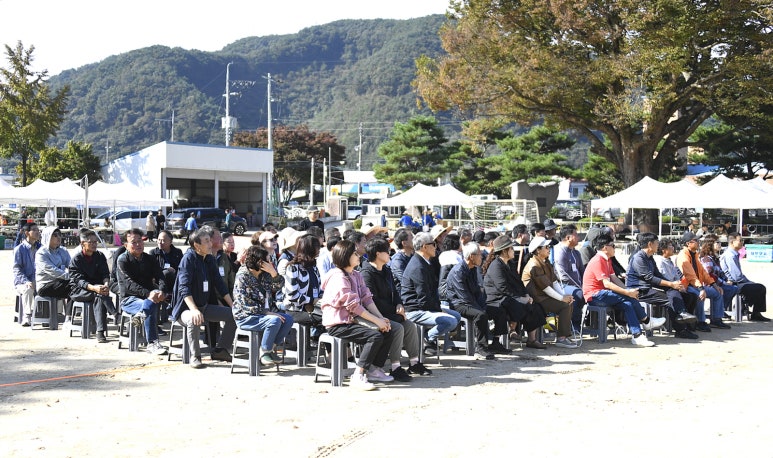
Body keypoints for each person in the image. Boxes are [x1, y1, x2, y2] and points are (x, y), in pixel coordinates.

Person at [319, 240, 396, 390]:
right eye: (354, 253)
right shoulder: (338, 277)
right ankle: (358, 375)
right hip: (338, 324)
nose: (358, 255)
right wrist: (376, 321)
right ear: (345, 256)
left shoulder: (356, 274)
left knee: (387, 329)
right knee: (374, 336)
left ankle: (373, 369)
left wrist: (380, 318)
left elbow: (367, 298)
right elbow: (353, 306)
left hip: (353, 320)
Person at [361, 238, 431, 381]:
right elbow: (372, 300)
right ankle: (395, 367)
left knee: (410, 325)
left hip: (390, 312)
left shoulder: (386, 270)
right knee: (398, 328)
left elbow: (395, 292)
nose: (390, 254)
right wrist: (394, 311)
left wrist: (399, 304)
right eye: (387, 251)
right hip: (376, 315)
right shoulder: (366, 273)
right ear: (378, 253)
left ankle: (414, 363)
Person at [581, 233, 664, 347]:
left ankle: (637, 335)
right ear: (605, 247)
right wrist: (627, 292)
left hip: (604, 294)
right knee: (628, 298)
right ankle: (646, 321)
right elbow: (607, 283)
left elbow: (614, 278)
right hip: (594, 296)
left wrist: (627, 290)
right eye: (613, 246)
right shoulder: (598, 260)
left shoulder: (607, 260)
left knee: (627, 304)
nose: (615, 248)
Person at [170, 227, 237, 368]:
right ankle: (195, 356)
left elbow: (220, 284)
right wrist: (194, 309)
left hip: (204, 306)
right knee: (194, 318)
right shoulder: (188, 259)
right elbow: (184, 288)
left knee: (234, 314)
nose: (210, 243)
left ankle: (221, 350)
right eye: (206, 241)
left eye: (209, 240)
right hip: (185, 309)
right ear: (197, 245)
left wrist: (233, 305)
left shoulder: (209, 259)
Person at [625, 233, 698, 340]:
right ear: (650, 244)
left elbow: (657, 275)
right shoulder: (639, 258)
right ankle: (681, 328)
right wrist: (670, 284)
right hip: (638, 290)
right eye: (656, 243)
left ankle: (683, 317)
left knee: (677, 292)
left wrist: (673, 285)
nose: (658, 245)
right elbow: (649, 278)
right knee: (670, 299)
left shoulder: (649, 257)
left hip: (647, 288)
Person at [400, 232, 461, 356]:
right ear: (424, 247)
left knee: (456, 316)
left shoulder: (424, 262)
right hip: (415, 310)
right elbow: (423, 297)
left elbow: (431, 292)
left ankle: (427, 339)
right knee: (451, 321)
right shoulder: (418, 266)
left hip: (424, 306)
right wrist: (439, 310)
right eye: (433, 244)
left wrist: (439, 308)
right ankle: (425, 339)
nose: (435, 247)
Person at [232, 245, 293, 366]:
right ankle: (264, 352)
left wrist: (274, 273)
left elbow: (278, 287)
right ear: (260, 263)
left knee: (288, 319)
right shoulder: (242, 277)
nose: (270, 263)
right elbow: (244, 304)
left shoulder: (265, 274)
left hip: (263, 314)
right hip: (246, 316)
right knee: (274, 321)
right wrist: (266, 312)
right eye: (267, 261)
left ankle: (270, 348)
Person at [482, 235, 546, 344]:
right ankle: (512, 330)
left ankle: (532, 339)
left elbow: (519, 282)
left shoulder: (510, 264)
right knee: (519, 305)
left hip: (509, 296)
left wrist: (526, 295)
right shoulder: (496, 265)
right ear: (504, 251)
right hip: (497, 298)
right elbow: (503, 288)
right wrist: (521, 299)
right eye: (511, 248)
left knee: (535, 306)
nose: (513, 250)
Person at [447, 242, 505, 359]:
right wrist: (481, 309)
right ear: (471, 256)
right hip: (458, 304)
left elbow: (477, 292)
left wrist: (484, 305)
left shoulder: (473, 268)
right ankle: (481, 348)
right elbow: (464, 297)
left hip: (472, 301)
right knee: (480, 315)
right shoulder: (458, 271)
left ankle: (496, 343)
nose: (482, 257)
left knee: (499, 310)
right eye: (479, 254)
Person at [116, 228, 168, 355]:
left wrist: (161, 290)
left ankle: (140, 317)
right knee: (149, 304)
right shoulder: (122, 260)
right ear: (126, 245)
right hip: (129, 299)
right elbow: (128, 283)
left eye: (140, 241)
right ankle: (152, 343)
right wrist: (148, 294)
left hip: (150, 297)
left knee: (152, 301)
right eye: (134, 242)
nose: (138, 244)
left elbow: (160, 276)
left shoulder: (150, 259)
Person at [521, 236, 578, 349]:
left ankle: (563, 336)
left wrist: (564, 296)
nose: (549, 249)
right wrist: (562, 298)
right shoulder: (534, 265)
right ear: (538, 250)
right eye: (546, 247)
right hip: (537, 299)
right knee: (564, 306)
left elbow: (554, 282)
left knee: (568, 302)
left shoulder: (545, 262)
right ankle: (561, 338)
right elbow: (546, 288)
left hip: (545, 296)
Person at [69, 230, 114, 343]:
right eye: (91, 242)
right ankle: (115, 314)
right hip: (79, 291)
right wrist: (94, 288)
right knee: (98, 294)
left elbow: (105, 274)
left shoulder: (100, 256)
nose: (94, 244)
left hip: (97, 290)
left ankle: (100, 331)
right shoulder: (76, 260)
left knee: (99, 296)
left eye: (95, 242)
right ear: (82, 243)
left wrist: (106, 285)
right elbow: (79, 281)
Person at [677, 232, 728, 331]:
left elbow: (703, 273)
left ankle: (716, 319)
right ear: (688, 243)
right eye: (695, 240)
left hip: (696, 285)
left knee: (718, 292)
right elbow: (690, 275)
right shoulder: (683, 256)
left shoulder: (694, 254)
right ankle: (700, 322)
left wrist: (714, 284)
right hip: (687, 286)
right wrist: (701, 289)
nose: (698, 242)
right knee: (700, 296)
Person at [282, 234, 325, 338]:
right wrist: (312, 300)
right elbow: (292, 295)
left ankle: (327, 346)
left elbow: (319, 289)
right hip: (295, 310)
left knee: (336, 315)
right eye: (317, 247)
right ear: (309, 249)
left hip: (314, 308)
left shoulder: (314, 267)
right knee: (328, 319)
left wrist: (323, 299)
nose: (319, 249)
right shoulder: (293, 267)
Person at [720, 233, 770, 321]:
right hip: (733, 283)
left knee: (757, 287)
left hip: (736, 281)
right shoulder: (730, 255)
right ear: (732, 242)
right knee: (760, 288)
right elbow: (737, 276)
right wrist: (748, 282)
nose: (742, 242)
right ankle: (751, 311)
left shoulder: (733, 254)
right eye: (740, 240)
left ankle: (752, 311)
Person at [552, 224, 586, 332]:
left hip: (578, 285)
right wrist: (580, 287)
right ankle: (573, 325)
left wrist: (586, 285)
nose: (578, 237)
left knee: (592, 292)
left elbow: (582, 271)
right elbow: (563, 275)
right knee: (578, 294)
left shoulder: (576, 252)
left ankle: (593, 325)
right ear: (568, 238)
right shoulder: (559, 251)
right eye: (576, 235)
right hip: (563, 285)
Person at [35, 227, 72, 321]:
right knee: (73, 284)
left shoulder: (63, 250)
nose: (58, 237)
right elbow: (53, 271)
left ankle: (70, 316)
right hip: (46, 285)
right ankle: (68, 318)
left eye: (59, 235)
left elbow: (72, 266)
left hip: (61, 282)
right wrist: (70, 277)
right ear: (48, 237)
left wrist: (76, 275)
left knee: (79, 286)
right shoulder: (41, 253)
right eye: (55, 235)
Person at [699, 235, 738, 318]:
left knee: (734, 287)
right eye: (717, 242)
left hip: (716, 283)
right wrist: (724, 282)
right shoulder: (706, 258)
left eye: (720, 242)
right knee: (730, 289)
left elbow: (720, 273)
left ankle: (720, 309)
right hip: (709, 284)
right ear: (710, 244)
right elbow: (709, 275)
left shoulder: (715, 257)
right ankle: (719, 311)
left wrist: (727, 280)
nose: (720, 244)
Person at [13, 222, 41, 326]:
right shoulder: (19, 249)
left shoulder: (41, 248)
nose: (37, 232)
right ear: (27, 233)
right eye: (34, 230)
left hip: (38, 280)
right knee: (28, 289)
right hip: (22, 282)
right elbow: (17, 269)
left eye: (38, 230)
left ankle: (53, 314)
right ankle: (27, 316)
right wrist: (26, 281)